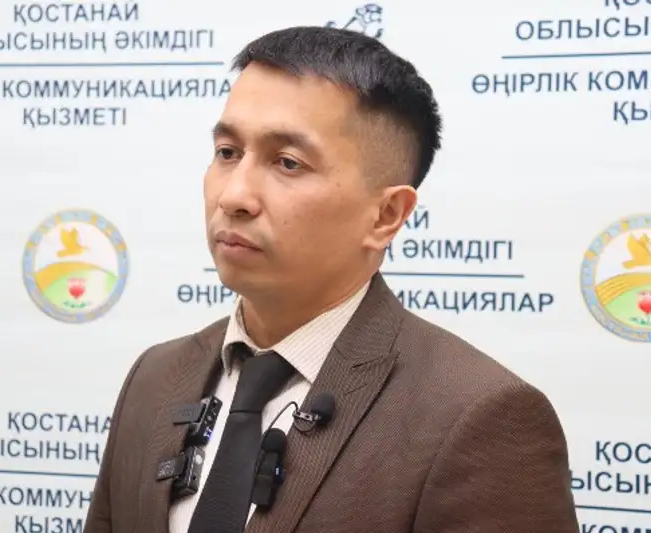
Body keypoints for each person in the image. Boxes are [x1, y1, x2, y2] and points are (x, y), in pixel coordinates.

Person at [82, 25, 580, 533]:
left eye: (287, 163)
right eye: (227, 152)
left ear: (386, 215)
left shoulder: (476, 417)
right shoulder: (154, 378)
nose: (233, 196)